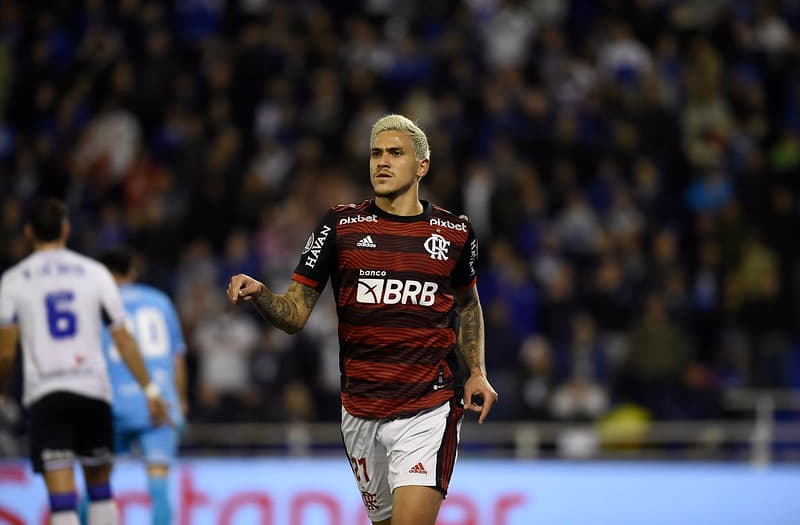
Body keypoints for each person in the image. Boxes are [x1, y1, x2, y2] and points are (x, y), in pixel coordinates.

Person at [227, 114, 499, 525]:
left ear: (421, 166)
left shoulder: (455, 232)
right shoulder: (339, 226)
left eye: (395, 153)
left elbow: (468, 304)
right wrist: (262, 294)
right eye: (376, 153)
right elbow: (295, 314)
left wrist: (476, 371)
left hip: (428, 408)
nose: (382, 162)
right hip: (360, 410)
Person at [0, 198, 170, 525]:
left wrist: (1, 390)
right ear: (66, 229)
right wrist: (149, 390)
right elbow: (123, 338)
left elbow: (5, 352)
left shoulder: (14, 280)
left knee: (63, 503)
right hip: (93, 392)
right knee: (101, 493)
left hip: (47, 395)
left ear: (28, 231)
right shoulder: (94, 273)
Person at [96, 247, 188, 525]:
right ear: (132, 271)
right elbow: (177, 357)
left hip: (112, 402)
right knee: (159, 486)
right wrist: (181, 400)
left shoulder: (99, 303)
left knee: (96, 482)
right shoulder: (159, 301)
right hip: (158, 401)